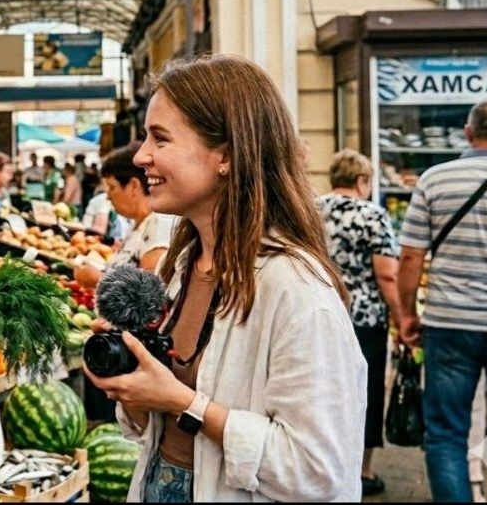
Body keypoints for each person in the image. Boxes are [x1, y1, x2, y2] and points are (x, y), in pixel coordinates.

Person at [86, 54, 365, 502]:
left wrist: (184, 401)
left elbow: (318, 469)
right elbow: (150, 427)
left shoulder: (297, 290)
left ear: (227, 156)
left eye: (160, 138)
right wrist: (133, 387)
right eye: (145, 138)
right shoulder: (177, 269)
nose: (141, 156)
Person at [395, 98, 487, 503]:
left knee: (446, 433)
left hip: (449, 324)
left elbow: (410, 256)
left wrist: (407, 314)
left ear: (467, 133)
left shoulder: (433, 180)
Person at [315, 149, 401, 497]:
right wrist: (402, 315)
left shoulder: (311, 208)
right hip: (364, 317)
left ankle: (322, 459)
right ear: (362, 181)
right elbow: (387, 275)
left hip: (320, 311)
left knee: (322, 389)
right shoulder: (372, 215)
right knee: (364, 392)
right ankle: (361, 470)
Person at [102, 143, 177, 273]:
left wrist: (96, 278)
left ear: (134, 186)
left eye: (112, 187)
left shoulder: (159, 225)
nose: (108, 196)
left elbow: (151, 288)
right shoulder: (140, 224)